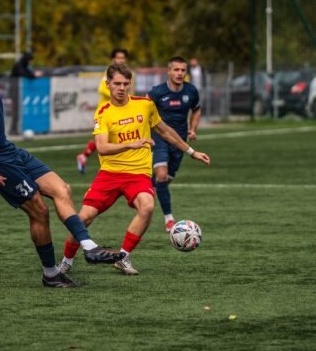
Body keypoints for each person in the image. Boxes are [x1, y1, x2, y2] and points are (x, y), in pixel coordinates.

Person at [0, 32, 124, 288]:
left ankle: (90, 247)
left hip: (10, 151)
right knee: (39, 210)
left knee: (62, 189)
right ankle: (51, 274)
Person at [60, 63, 210, 275]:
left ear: (130, 84)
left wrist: (191, 151)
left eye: (125, 84)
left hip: (138, 174)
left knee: (147, 207)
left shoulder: (145, 105)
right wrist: (130, 144)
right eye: (117, 84)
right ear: (108, 84)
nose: (121, 88)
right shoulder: (103, 113)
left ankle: (123, 258)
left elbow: (165, 131)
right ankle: (66, 262)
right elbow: (102, 147)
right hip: (110, 173)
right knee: (83, 217)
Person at [149, 56, 203, 232]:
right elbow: (142, 110)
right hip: (160, 138)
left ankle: (144, 188)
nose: (180, 73)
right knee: (162, 176)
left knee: (163, 181)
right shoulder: (157, 92)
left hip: (179, 141)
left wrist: (193, 129)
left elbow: (196, 110)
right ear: (169, 71)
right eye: (176, 70)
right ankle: (169, 219)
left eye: (183, 70)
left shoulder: (191, 91)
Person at [76, 48, 129, 174]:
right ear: (113, 59)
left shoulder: (125, 74)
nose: (121, 60)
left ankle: (84, 156)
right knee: (106, 139)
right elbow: (102, 88)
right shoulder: (109, 73)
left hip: (117, 109)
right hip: (106, 110)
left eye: (123, 58)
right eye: (118, 58)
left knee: (109, 138)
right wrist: (120, 94)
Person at [9, 51, 36, 136]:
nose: (30, 62)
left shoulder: (23, 66)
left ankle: (18, 128)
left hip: (21, 92)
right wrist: (33, 75)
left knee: (20, 110)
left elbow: (29, 73)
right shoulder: (18, 66)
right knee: (16, 110)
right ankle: (13, 129)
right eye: (30, 60)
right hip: (15, 91)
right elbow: (24, 74)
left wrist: (33, 75)